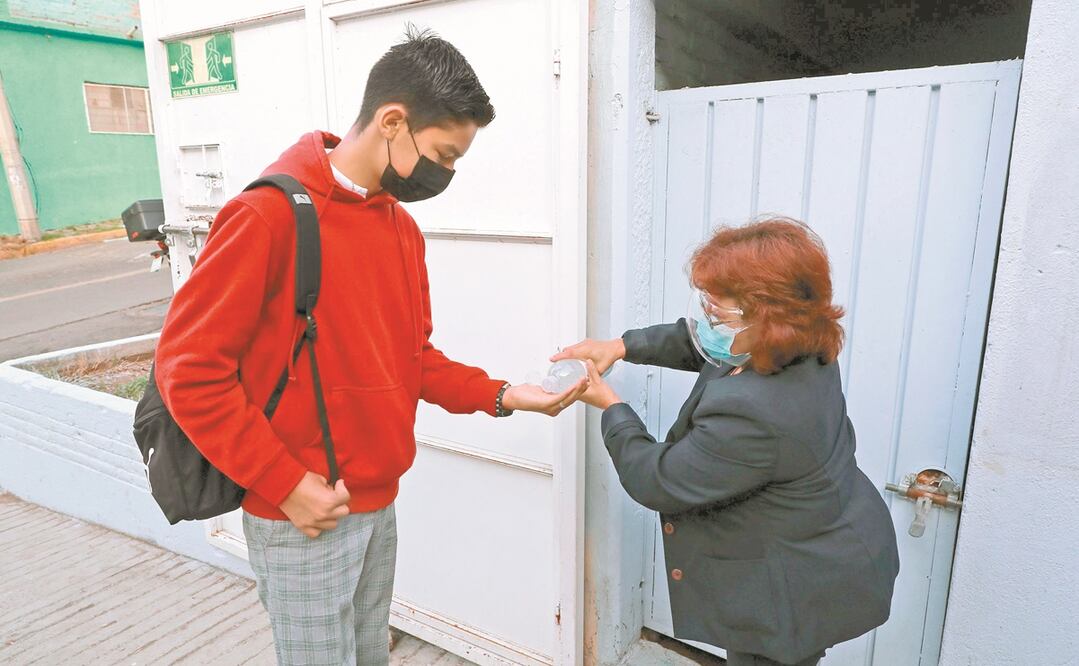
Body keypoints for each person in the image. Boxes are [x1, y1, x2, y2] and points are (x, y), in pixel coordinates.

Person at [154, 27, 587, 665]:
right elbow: (188, 371)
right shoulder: (266, 216)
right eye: (443, 154)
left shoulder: (400, 228)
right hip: (300, 512)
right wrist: (284, 483)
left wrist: (502, 395)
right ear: (392, 121)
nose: (447, 173)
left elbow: (413, 359)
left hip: (378, 503)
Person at [554, 218, 900, 666]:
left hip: (794, 589)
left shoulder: (756, 410)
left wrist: (610, 405)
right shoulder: (799, 342)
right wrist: (621, 346)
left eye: (718, 313)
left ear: (766, 316)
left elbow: (658, 480)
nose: (708, 321)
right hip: (824, 537)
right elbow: (699, 344)